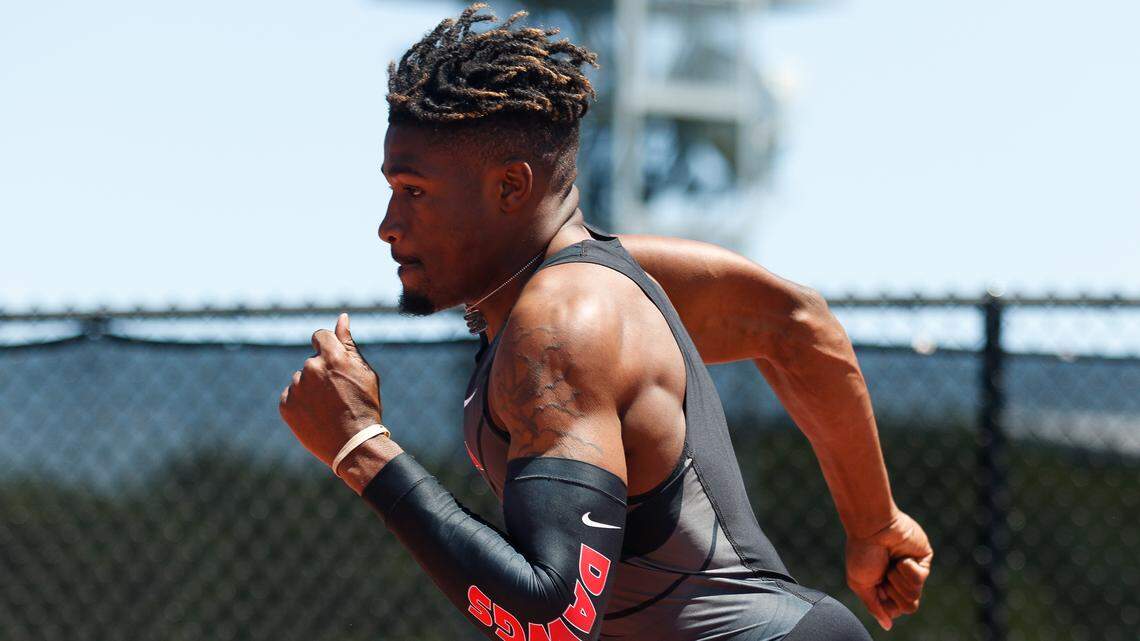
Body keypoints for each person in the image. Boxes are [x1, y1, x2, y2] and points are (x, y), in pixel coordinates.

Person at [278, 4, 932, 640]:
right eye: (391, 189)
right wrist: (875, 523)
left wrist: (362, 448)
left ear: (511, 187)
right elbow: (795, 324)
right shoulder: (606, 278)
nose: (388, 225)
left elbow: (552, 619)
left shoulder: (561, 325)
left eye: (414, 191)